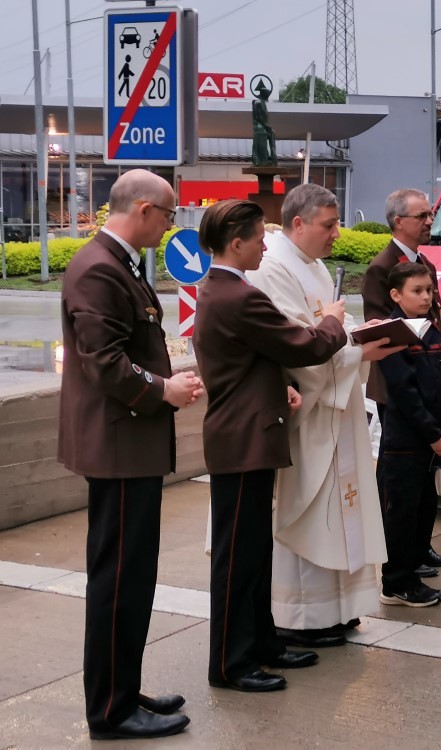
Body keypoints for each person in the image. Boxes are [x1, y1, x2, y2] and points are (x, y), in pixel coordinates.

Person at [58, 169, 203, 740]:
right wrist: (163, 389)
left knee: (133, 575)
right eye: (168, 214)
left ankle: (123, 687)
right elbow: (104, 361)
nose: (169, 225)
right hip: (118, 444)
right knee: (119, 579)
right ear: (143, 210)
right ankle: (111, 710)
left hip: (129, 442)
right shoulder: (99, 268)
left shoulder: (117, 263)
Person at [193, 199, 349, 693]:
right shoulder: (239, 295)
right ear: (236, 242)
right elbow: (304, 345)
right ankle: (230, 663)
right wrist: (333, 320)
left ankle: (261, 643)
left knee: (254, 552)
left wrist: (276, 384)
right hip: (243, 440)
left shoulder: (222, 290)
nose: (266, 244)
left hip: (246, 433)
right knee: (238, 559)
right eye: (260, 237)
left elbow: (247, 359)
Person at [246, 184, 400, 649]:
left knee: (339, 508)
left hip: (336, 406)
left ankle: (336, 610)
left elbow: (334, 325)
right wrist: (356, 350)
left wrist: (361, 335)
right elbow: (293, 343)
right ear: (298, 223)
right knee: (308, 511)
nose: (337, 234)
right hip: (307, 412)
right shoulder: (272, 267)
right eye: (329, 225)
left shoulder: (312, 264)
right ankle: (298, 616)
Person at [361, 189, 441, 576]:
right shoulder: (382, 266)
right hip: (399, 383)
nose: (429, 221)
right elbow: (380, 327)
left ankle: (421, 546)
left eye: (430, 214)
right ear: (398, 221)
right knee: (399, 477)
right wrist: (426, 349)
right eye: (422, 216)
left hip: (429, 375)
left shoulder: (425, 263)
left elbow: (435, 317)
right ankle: (398, 555)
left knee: (428, 469)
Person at [377, 262, 441, 606]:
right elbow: (404, 392)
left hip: (431, 439)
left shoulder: (431, 331)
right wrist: (432, 434)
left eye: (429, 290)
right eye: (417, 291)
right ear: (396, 295)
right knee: (401, 513)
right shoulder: (392, 333)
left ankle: (413, 573)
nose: (426, 297)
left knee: (424, 508)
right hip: (405, 442)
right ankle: (396, 582)